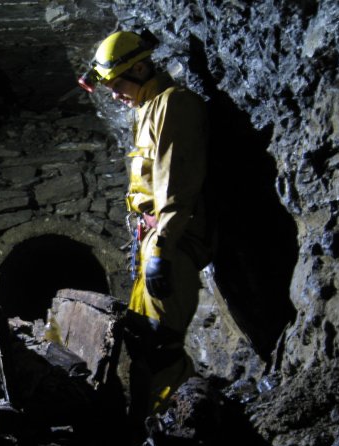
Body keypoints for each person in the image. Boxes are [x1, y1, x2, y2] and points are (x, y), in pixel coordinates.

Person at [79, 30, 212, 420]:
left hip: (173, 242)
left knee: (161, 344)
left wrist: (161, 250)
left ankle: (187, 423)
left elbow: (176, 187)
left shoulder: (174, 105)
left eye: (118, 84)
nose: (116, 94)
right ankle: (147, 427)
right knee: (139, 338)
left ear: (139, 68)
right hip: (152, 238)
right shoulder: (145, 110)